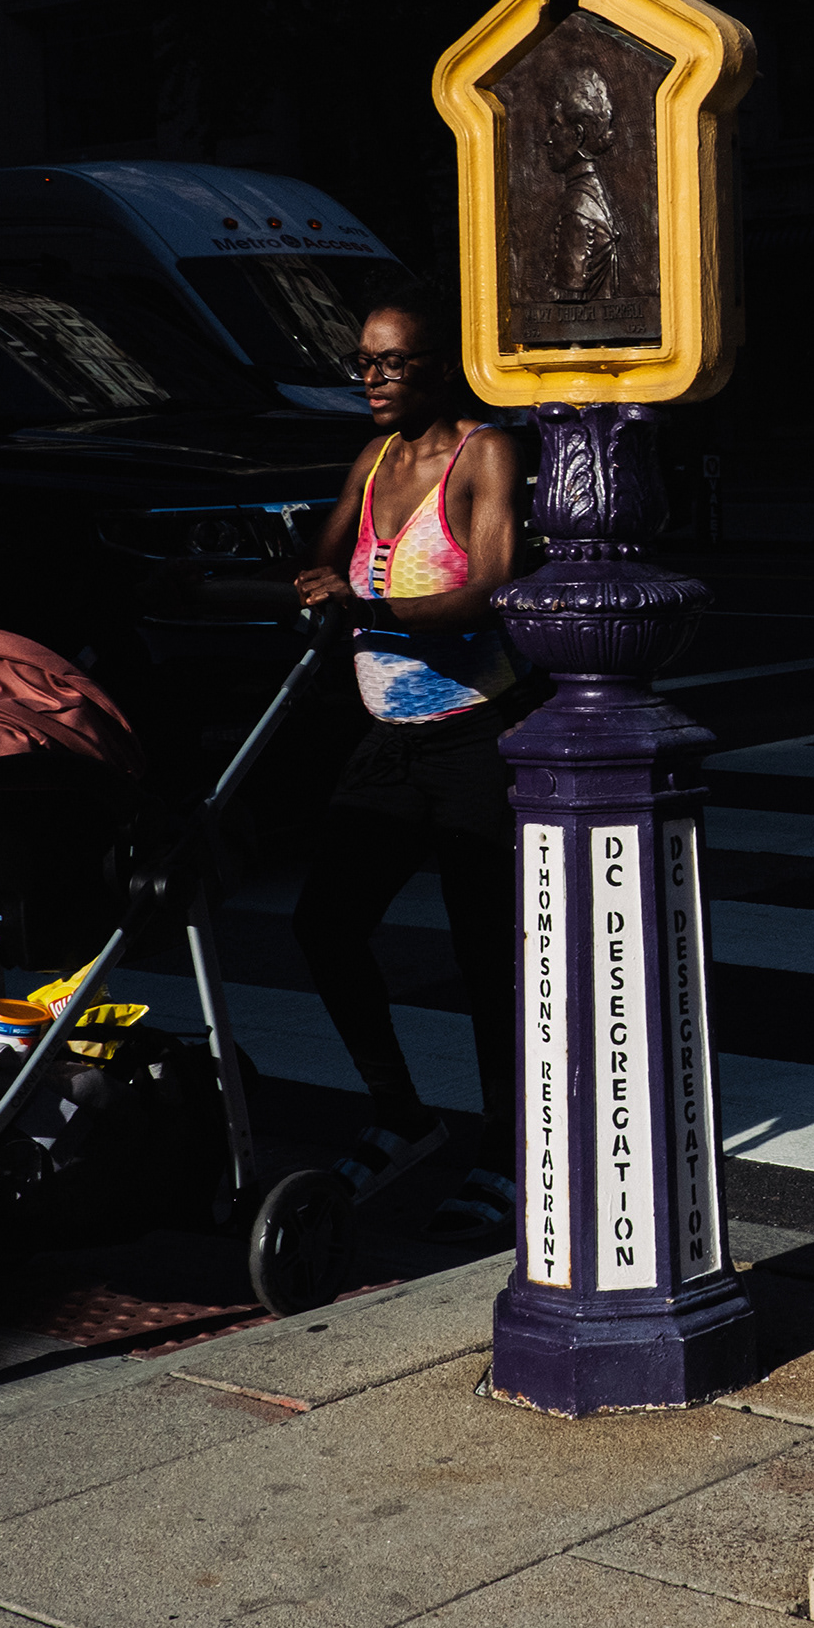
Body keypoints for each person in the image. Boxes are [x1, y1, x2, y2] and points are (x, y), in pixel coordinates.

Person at [285, 292, 531, 1223]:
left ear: (439, 365)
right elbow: (322, 561)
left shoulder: (485, 452)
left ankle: (508, 1158)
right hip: (390, 739)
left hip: (477, 736)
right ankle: (400, 1115)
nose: (374, 380)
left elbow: (497, 590)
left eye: (392, 363)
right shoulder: (375, 458)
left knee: (484, 961)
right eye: (364, 363)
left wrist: (370, 613)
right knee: (325, 925)